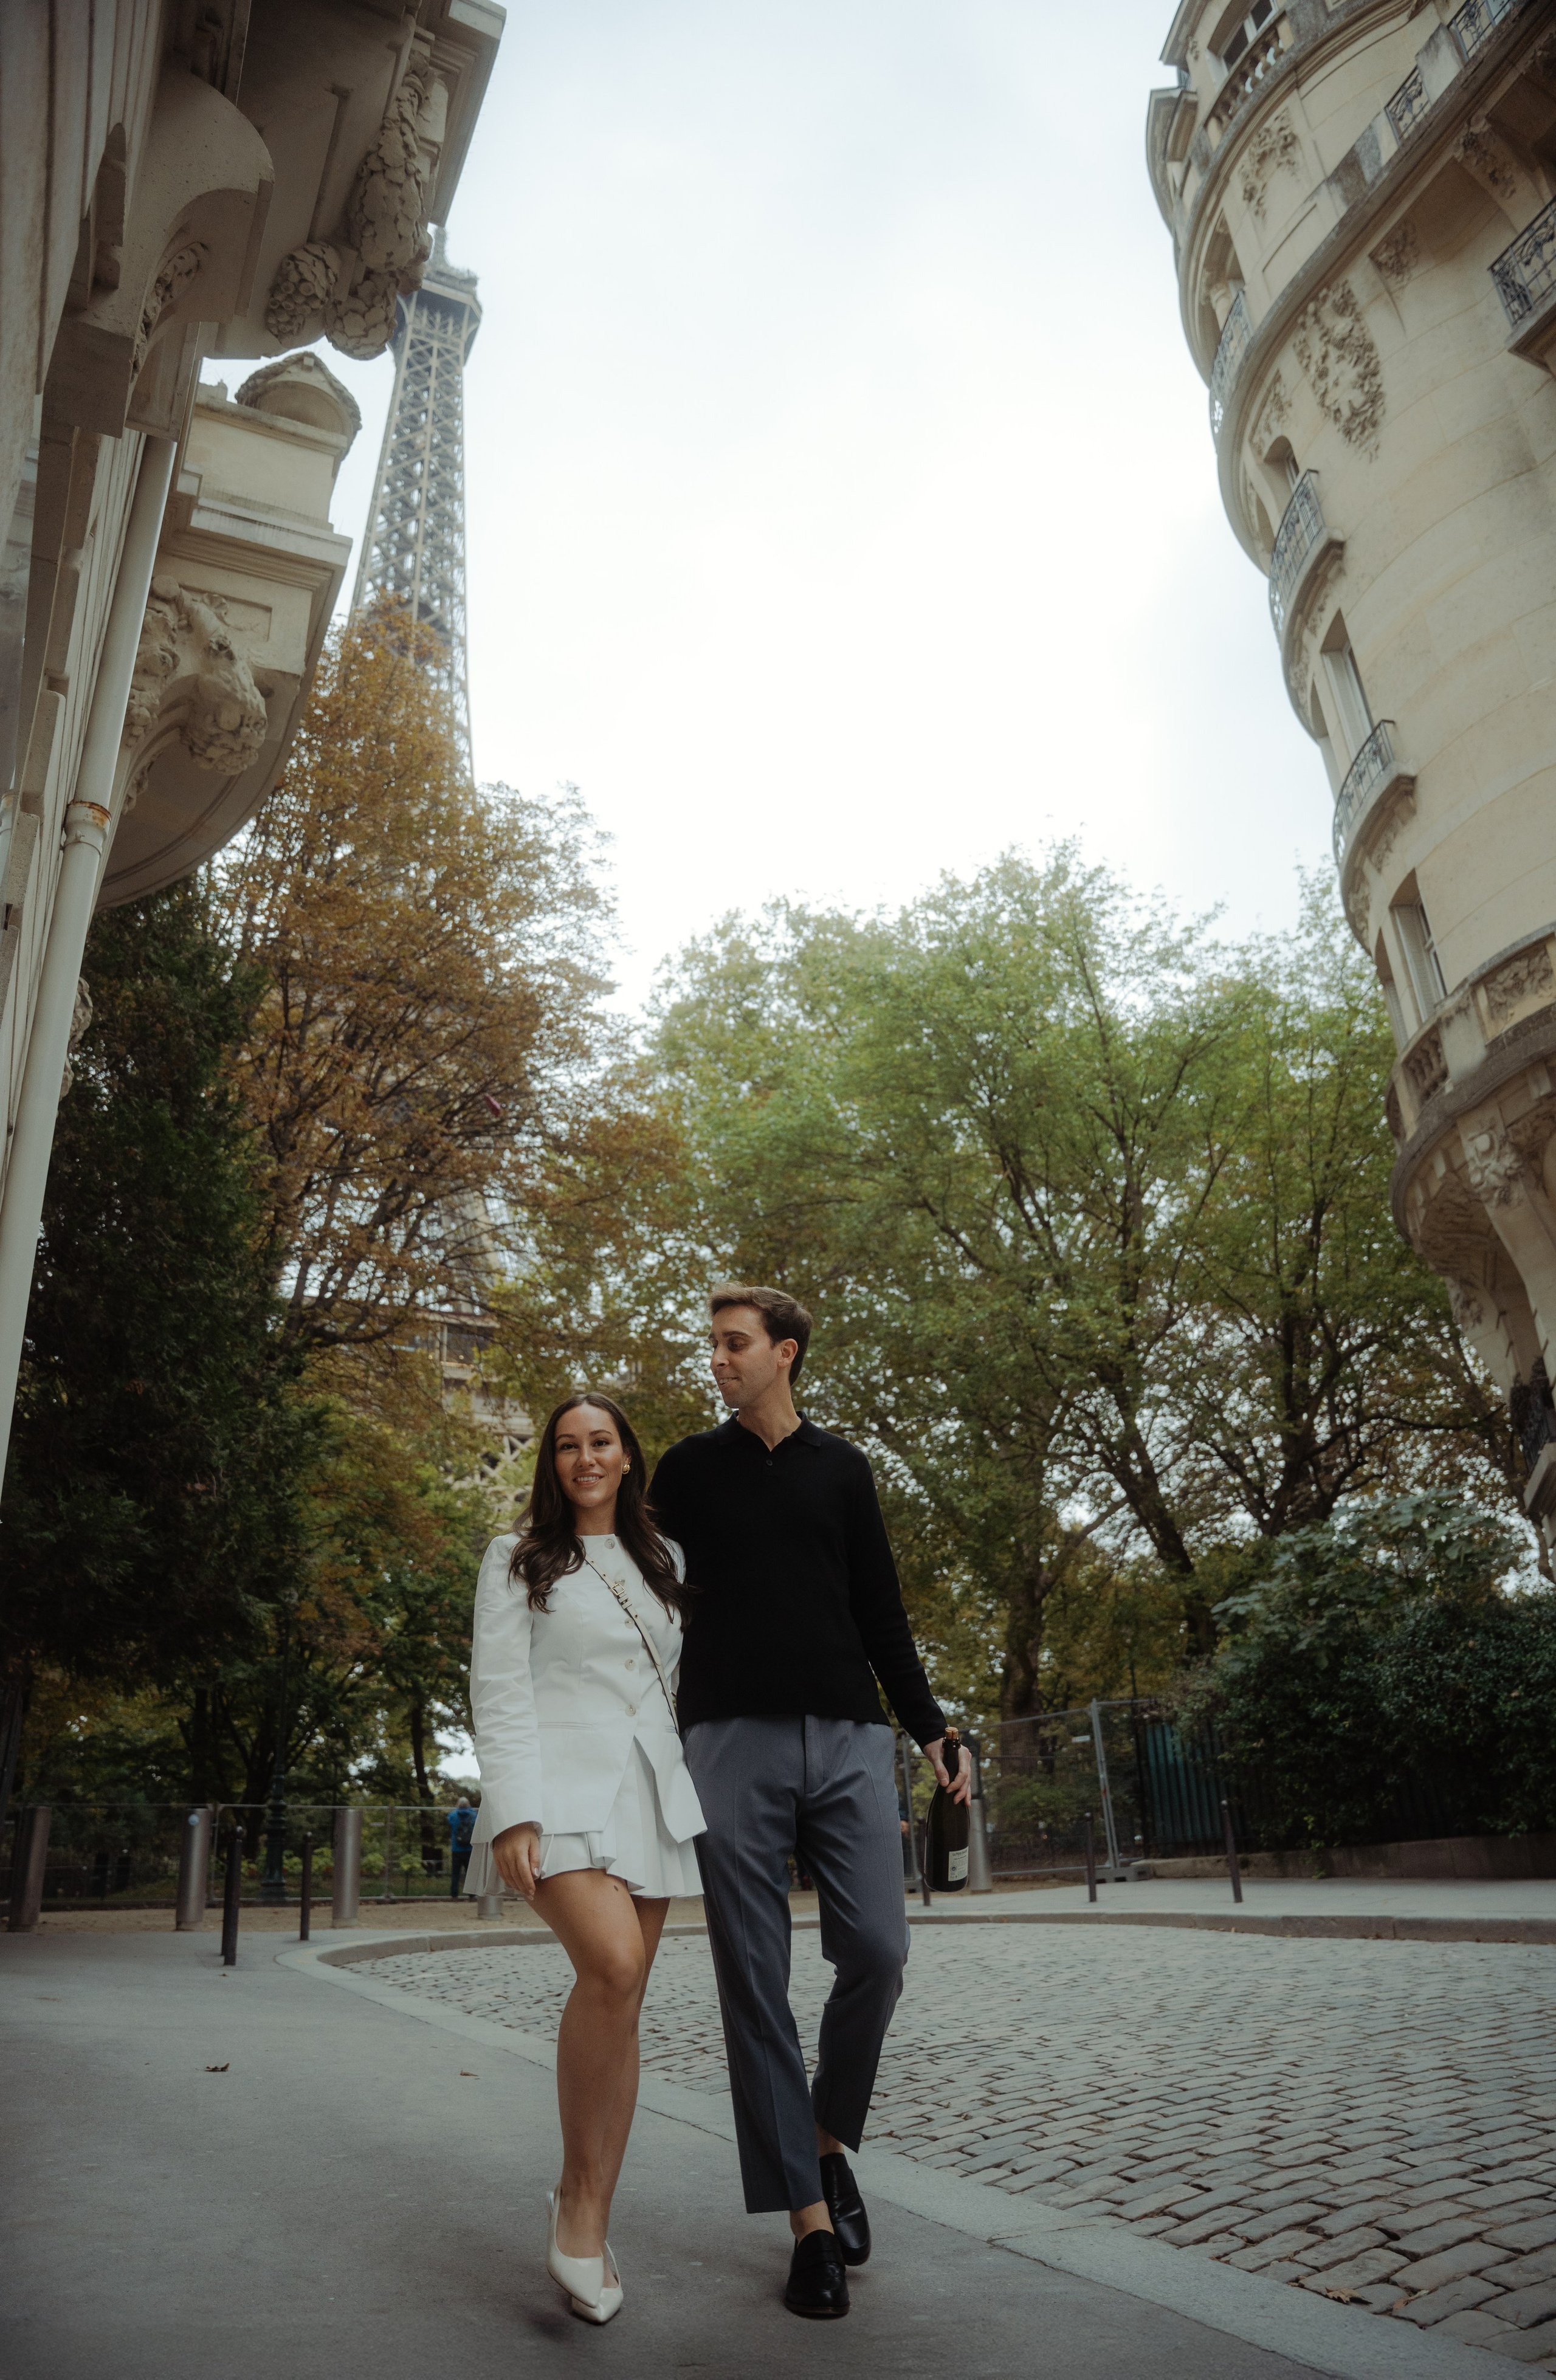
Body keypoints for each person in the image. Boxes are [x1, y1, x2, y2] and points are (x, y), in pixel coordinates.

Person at [650, 1285, 969, 2320]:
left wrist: (930, 1727)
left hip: (846, 1734)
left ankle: (828, 2139)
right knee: (755, 1979)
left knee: (878, 1949)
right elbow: (637, 1586)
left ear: (784, 1354)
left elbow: (880, 1608)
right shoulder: (688, 1472)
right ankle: (808, 2223)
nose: (718, 1360)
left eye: (735, 1344)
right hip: (727, 1741)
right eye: (713, 1345)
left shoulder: (844, 1471)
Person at [466, 1392, 704, 2327]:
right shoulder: (517, 1557)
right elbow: (498, 1687)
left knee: (628, 1995)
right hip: (558, 1788)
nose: (584, 1457)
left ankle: (595, 2218)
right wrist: (515, 1812)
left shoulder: (666, 1559)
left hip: (651, 1790)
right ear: (552, 1463)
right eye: (567, 1446)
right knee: (609, 1965)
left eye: (600, 1441)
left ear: (627, 1455)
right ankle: (572, 2196)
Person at [446, 1795, 476, 1897]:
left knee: (456, 1874)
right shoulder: (473, 1815)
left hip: (456, 1849)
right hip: (469, 1848)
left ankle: (454, 1895)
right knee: (470, 1873)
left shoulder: (453, 1815)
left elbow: (449, 1820)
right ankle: (472, 1895)